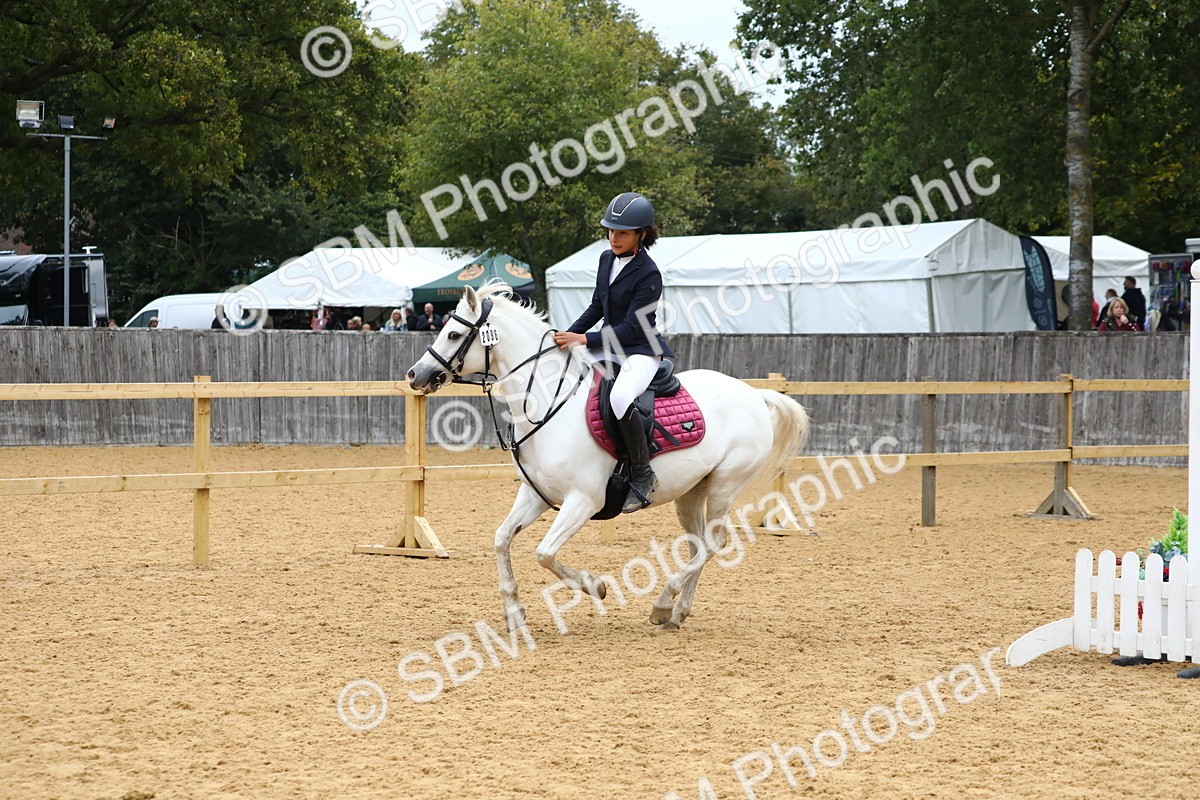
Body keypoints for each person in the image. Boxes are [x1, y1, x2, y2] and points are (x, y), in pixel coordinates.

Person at [553, 191, 674, 513]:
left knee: (620, 397)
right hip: (607, 343)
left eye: (622, 232)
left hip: (640, 350)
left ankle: (642, 473)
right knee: (565, 376)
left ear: (641, 234)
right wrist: (568, 334)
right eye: (610, 231)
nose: (614, 237)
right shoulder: (606, 259)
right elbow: (597, 306)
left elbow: (633, 329)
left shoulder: (649, 273)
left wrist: (585, 340)